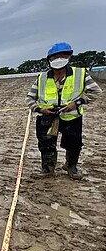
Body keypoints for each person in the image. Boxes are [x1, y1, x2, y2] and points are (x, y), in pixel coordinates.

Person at [26, 42, 102, 179]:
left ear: (69, 57)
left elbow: (95, 91)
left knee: (74, 144)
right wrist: (40, 109)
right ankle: (47, 169)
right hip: (47, 117)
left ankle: (71, 166)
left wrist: (77, 103)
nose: (58, 59)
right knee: (46, 144)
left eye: (62, 55)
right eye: (55, 57)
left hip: (71, 116)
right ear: (49, 60)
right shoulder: (42, 78)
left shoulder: (80, 74)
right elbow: (30, 99)